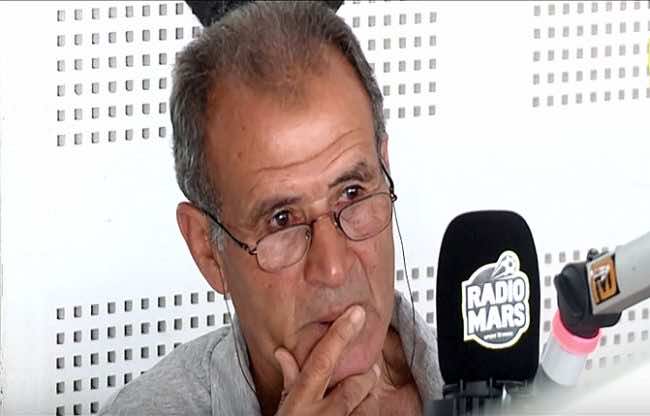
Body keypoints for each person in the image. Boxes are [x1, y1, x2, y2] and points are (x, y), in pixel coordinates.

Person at [100, 2, 443, 415]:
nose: (333, 268)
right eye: (282, 221)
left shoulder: (504, 387)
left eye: (352, 193)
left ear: (385, 171)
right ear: (207, 250)